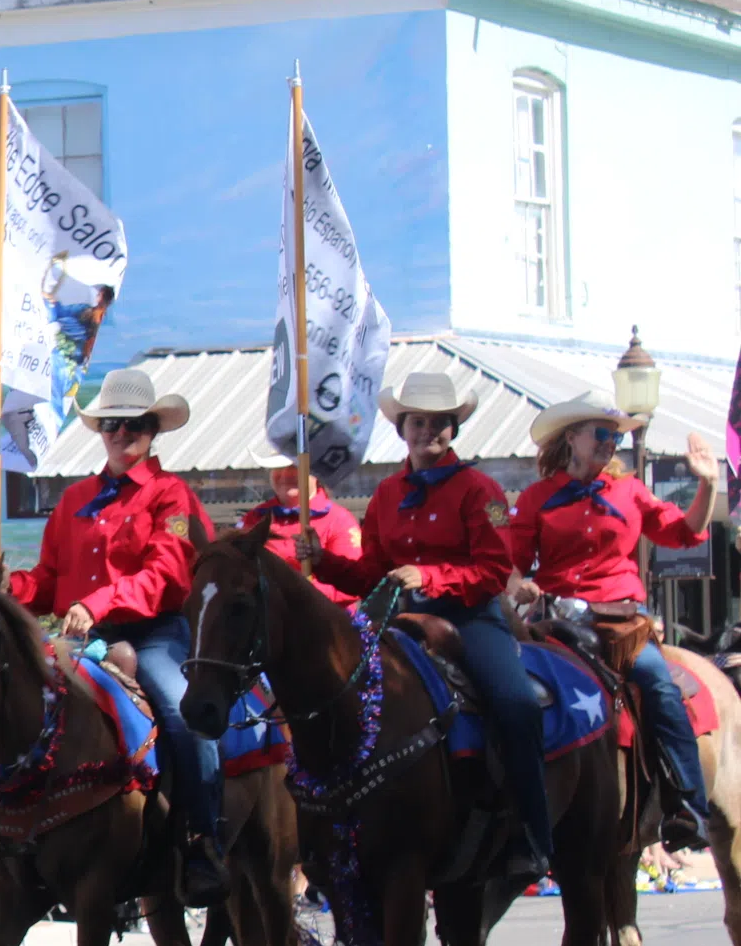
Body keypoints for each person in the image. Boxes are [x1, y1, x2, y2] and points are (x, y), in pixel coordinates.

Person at [306, 371, 553, 880]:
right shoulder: (385, 495)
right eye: (418, 423)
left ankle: (533, 834)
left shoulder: (479, 490)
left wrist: (430, 575)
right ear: (403, 429)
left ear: (453, 430)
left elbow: (491, 571)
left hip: (470, 618)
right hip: (397, 620)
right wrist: (324, 562)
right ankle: (333, 835)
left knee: (516, 704)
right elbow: (371, 573)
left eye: (439, 424)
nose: (428, 433)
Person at [8, 366, 226, 901]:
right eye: (112, 426)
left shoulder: (172, 497)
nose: (123, 435)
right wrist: (0, 592)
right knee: (9, 707)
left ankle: (202, 840)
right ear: (100, 431)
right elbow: (47, 579)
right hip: (78, 643)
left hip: (153, 635)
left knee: (181, 713)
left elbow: (169, 571)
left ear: (153, 429)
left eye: (135, 425)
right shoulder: (74, 498)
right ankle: (5, 844)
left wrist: (97, 601)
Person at [506, 392, 721, 851]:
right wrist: (518, 583)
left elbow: (685, 533)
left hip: (620, 623)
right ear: (572, 439)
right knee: (517, 689)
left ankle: (687, 805)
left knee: (658, 686)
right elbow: (513, 565)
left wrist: (707, 487)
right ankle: (519, 808)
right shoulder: (536, 498)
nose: (610, 443)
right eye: (601, 433)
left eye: (616, 436)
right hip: (558, 623)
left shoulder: (631, 491)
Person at [244, 446, 363, 571]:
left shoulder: (339, 521)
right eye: (278, 467)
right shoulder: (254, 519)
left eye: (295, 467)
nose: (285, 474)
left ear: (316, 473)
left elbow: (350, 579)